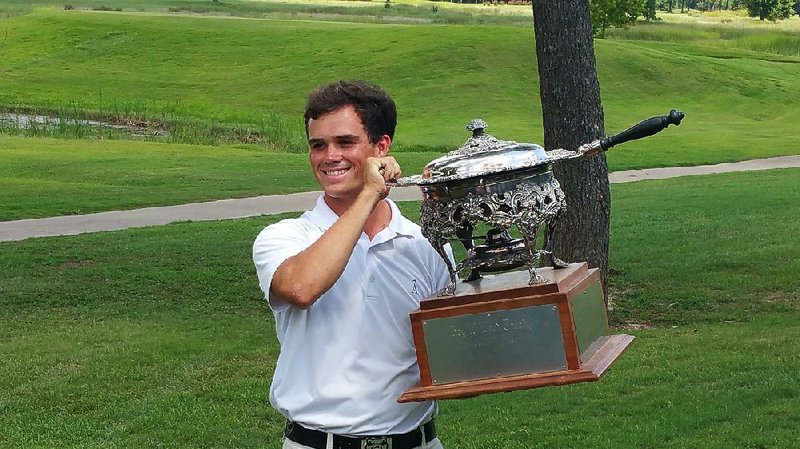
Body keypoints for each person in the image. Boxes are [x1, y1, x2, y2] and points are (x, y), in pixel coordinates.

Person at [253, 80, 450, 449]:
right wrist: (371, 193)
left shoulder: (426, 245)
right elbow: (301, 288)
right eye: (318, 145)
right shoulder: (285, 237)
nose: (329, 156)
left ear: (381, 147)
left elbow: (450, 353)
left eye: (345, 143)